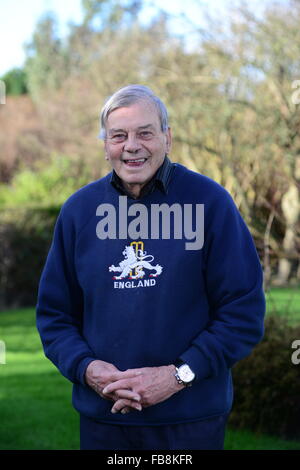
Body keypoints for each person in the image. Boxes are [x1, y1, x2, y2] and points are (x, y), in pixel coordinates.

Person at [36, 84, 265, 450]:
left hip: (190, 423)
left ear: (167, 138)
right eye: (118, 135)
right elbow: (54, 316)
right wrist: (86, 369)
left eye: (145, 133)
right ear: (106, 144)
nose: (131, 145)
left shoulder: (211, 203)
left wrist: (178, 376)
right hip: (104, 422)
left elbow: (243, 313)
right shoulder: (79, 212)